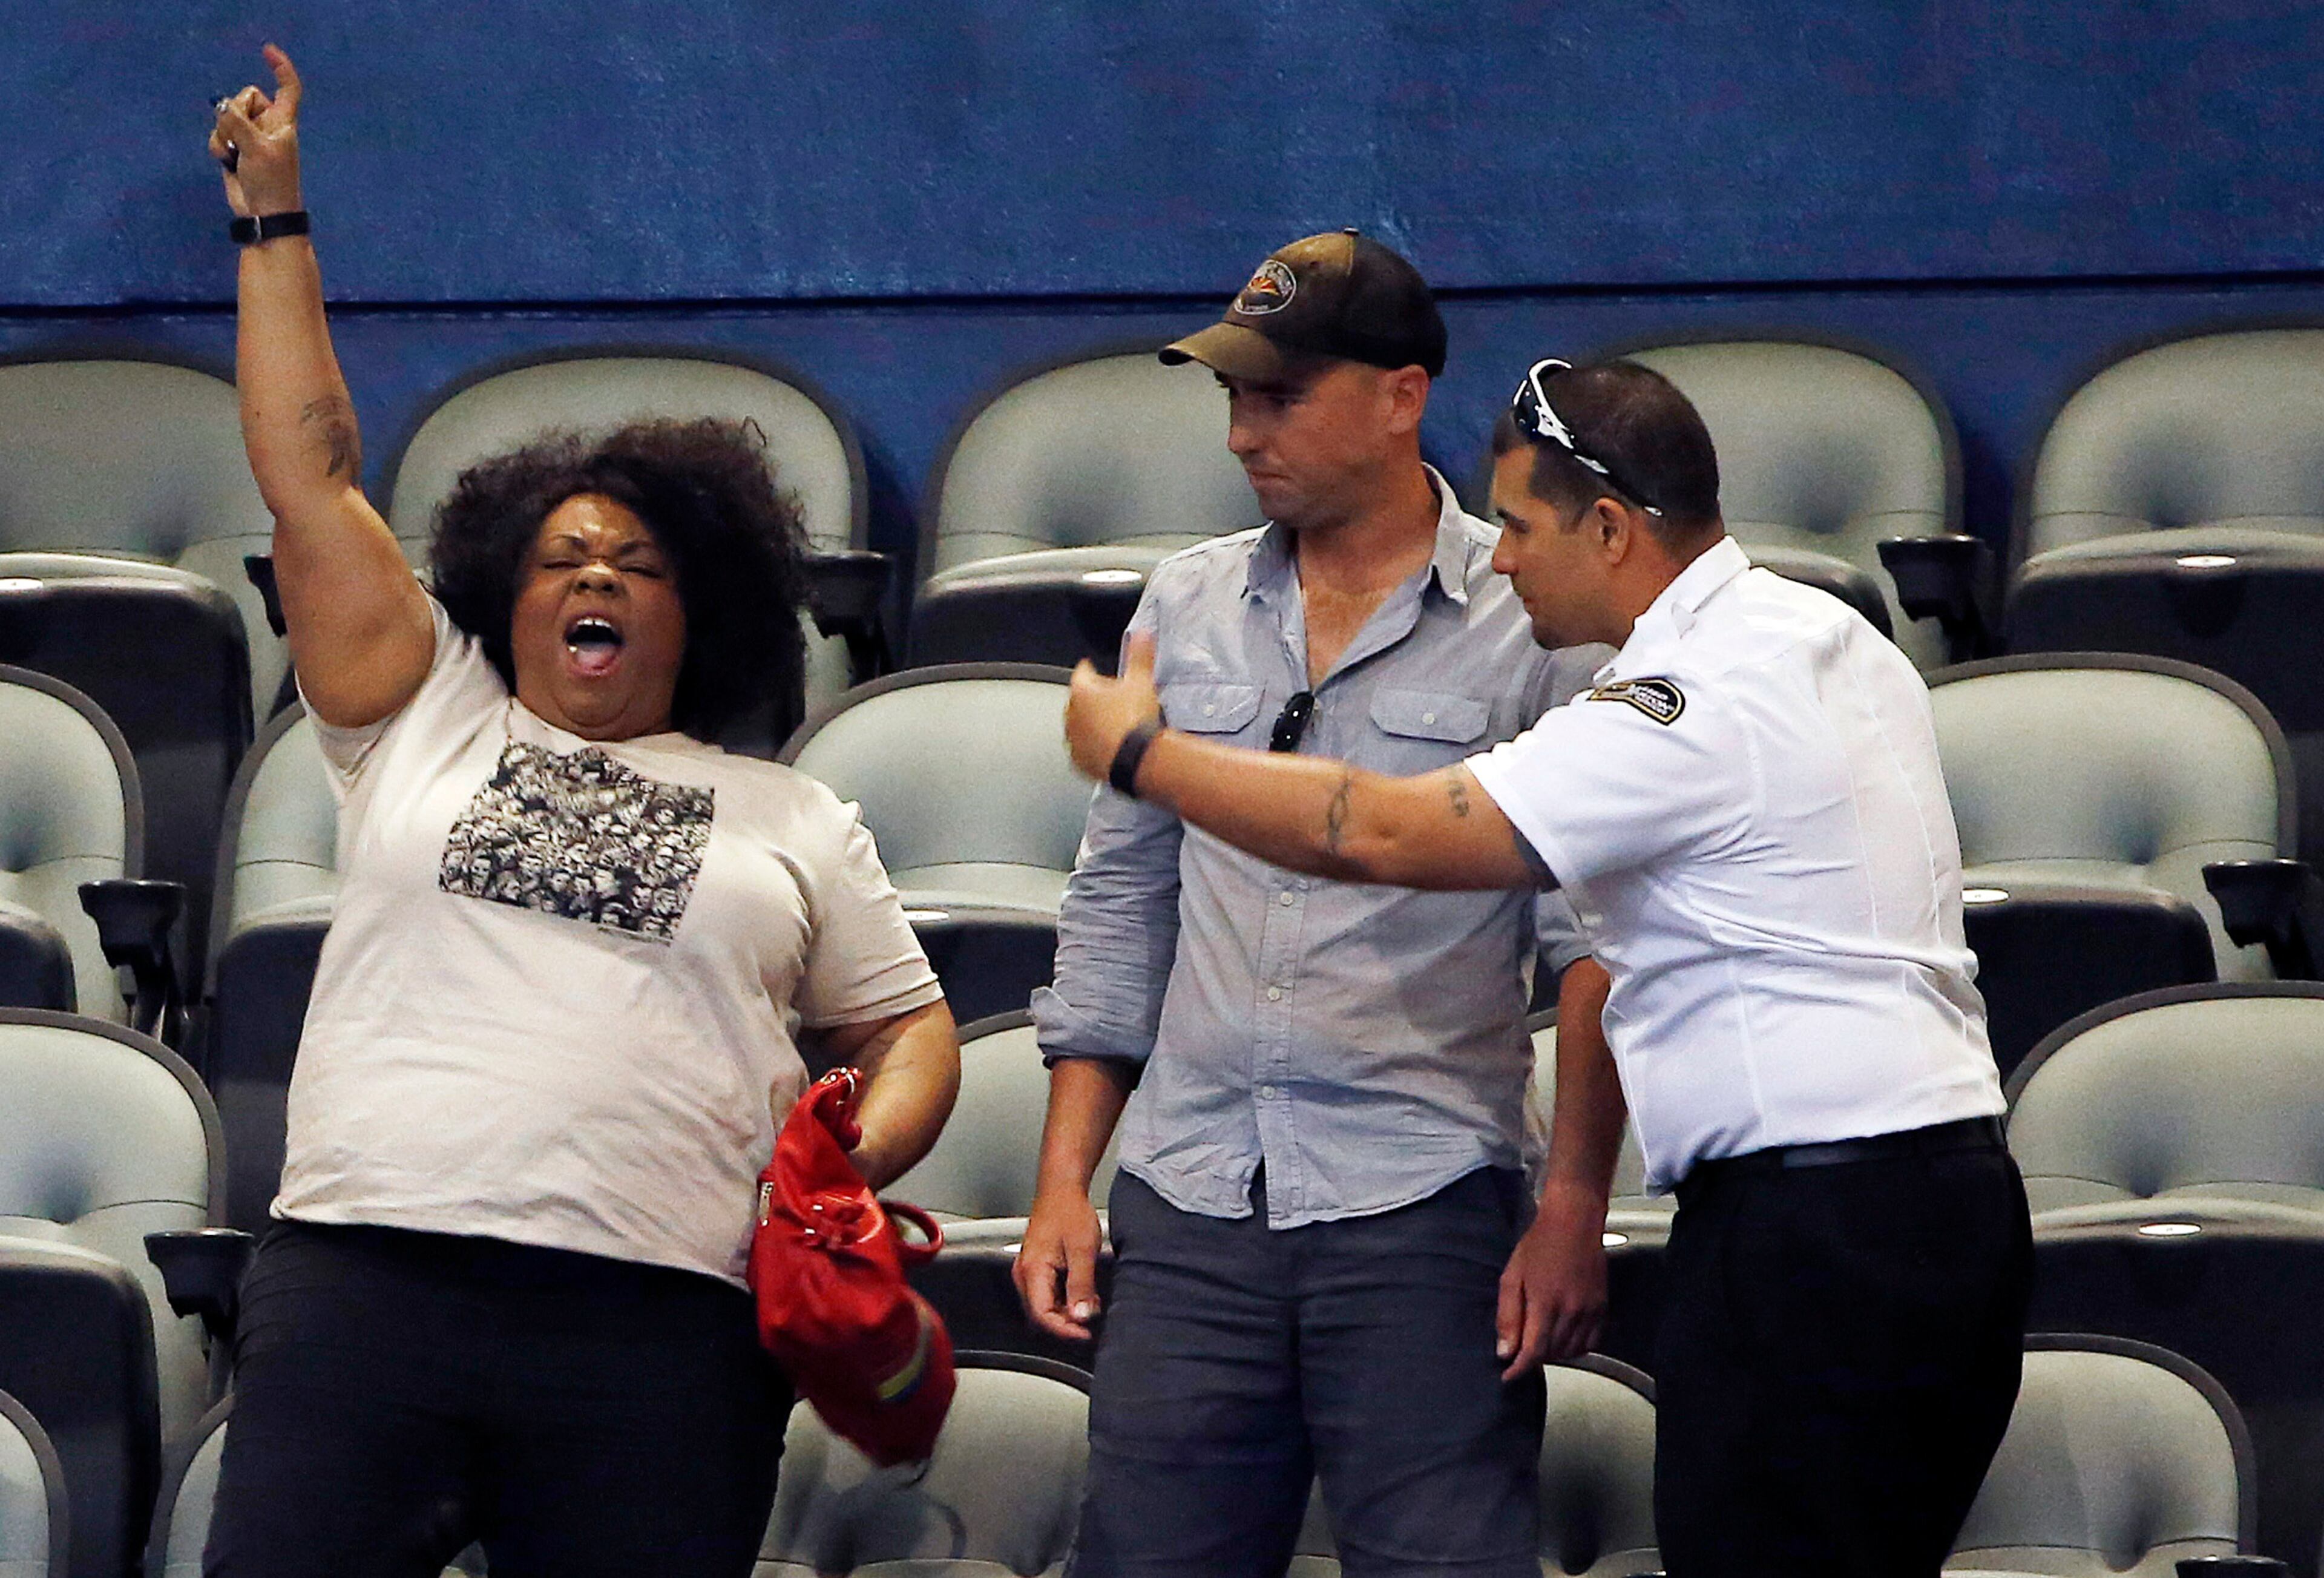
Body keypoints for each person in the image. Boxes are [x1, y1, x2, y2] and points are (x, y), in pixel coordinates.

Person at [1062, 355, 2034, 1578]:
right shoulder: (1831, 635)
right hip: (1946, 1199)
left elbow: (1382, 829)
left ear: (1614, 528)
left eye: (1521, 526)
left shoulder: (1679, 699)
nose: (1503, 558)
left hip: (1819, 1229)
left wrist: (1145, 752)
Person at [204, 48, 960, 1578]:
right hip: (369, 1285)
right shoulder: (426, 712)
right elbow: (310, 477)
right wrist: (275, 225)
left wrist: (844, 1167)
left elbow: (911, 1033)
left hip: (660, 1327)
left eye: (637, 563)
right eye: (561, 558)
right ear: (507, 593)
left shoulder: (793, 812)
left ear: (708, 611)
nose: (597, 576)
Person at [1012, 230, 1614, 1578]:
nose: (1241, 433)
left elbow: (1593, 946)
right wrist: (1066, 1183)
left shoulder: (1532, 620)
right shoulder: (1187, 598)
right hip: (1188, 1202)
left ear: (1401, 396)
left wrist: (1572, 1201)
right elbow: (1124, 903)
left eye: (1276, 395)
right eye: (1231, 397)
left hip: (1425, 1206)